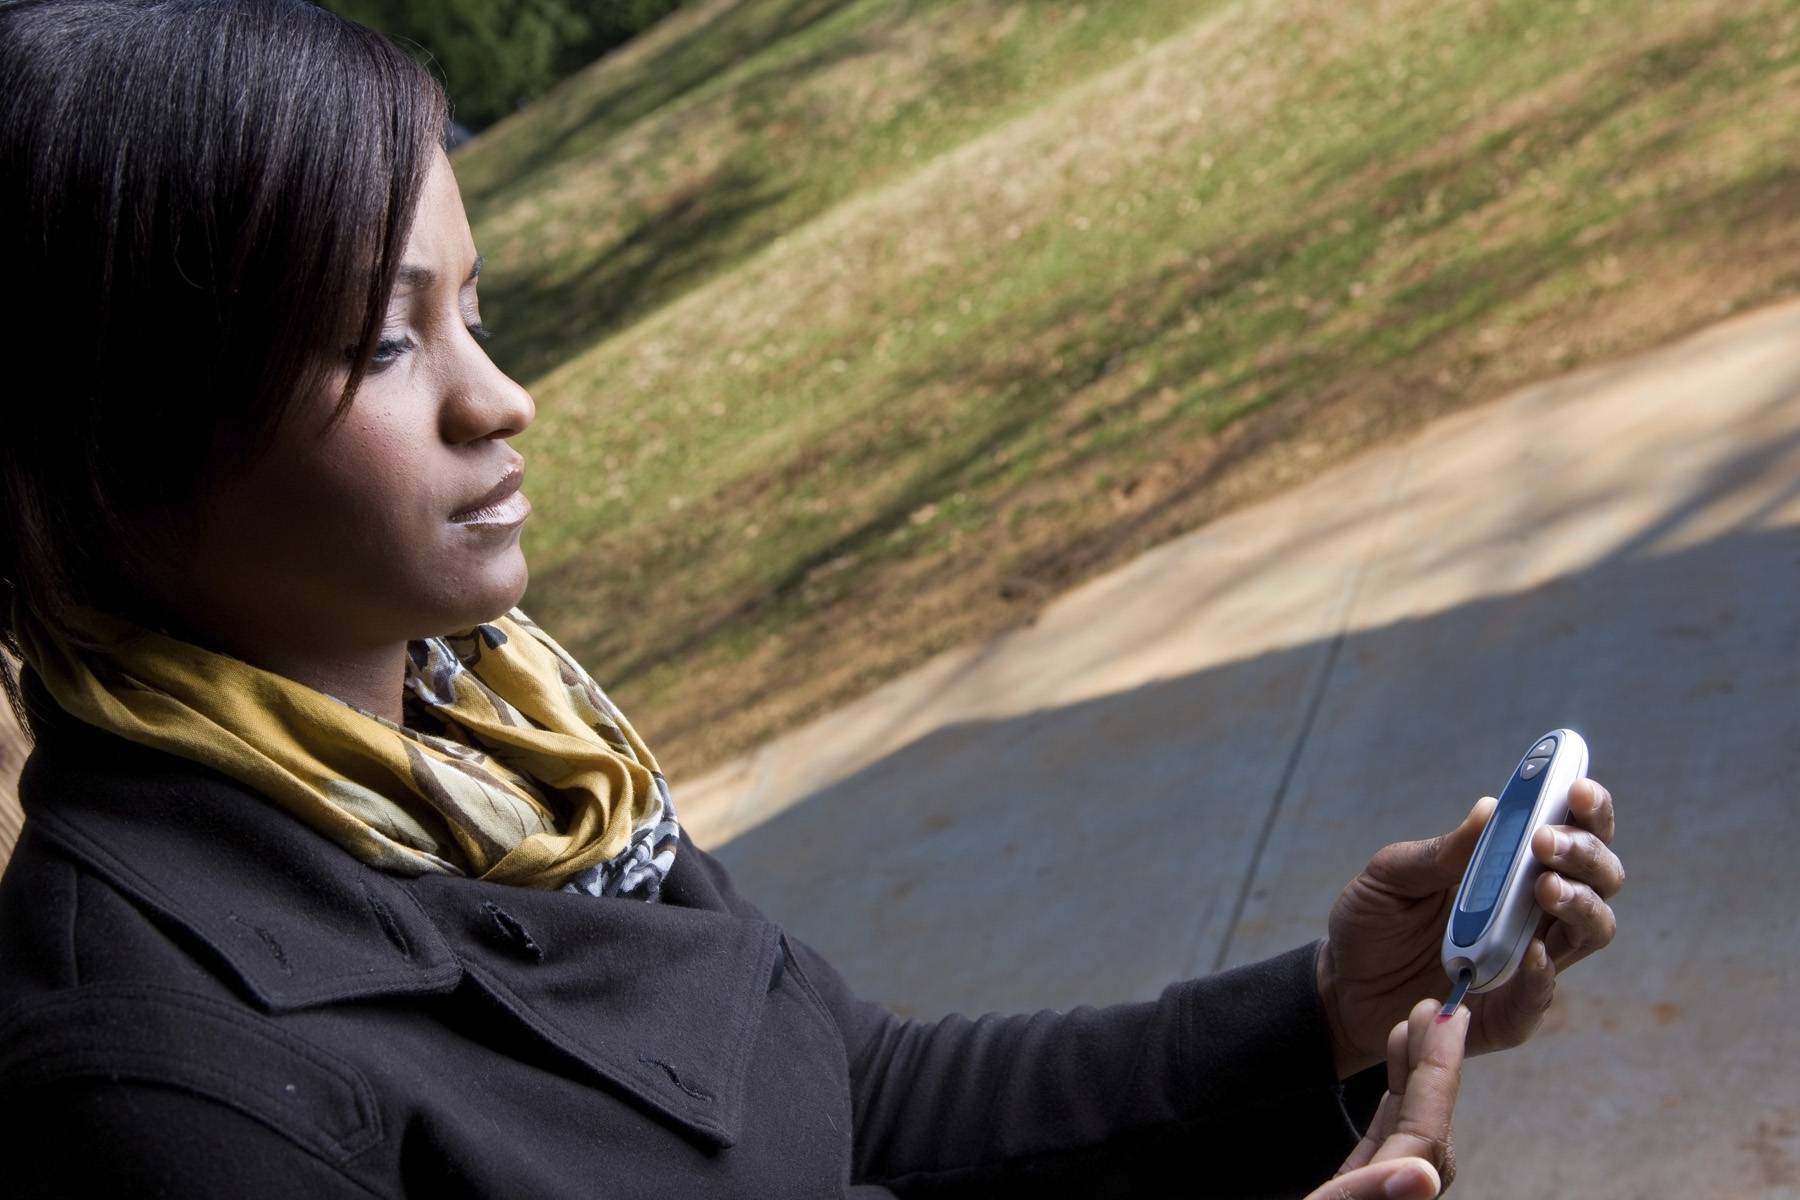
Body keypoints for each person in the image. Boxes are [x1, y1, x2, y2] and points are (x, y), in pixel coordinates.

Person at [0, 2, 1625, 1196]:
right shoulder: (153, 1077)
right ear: (120, 449)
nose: (503, 402)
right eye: (383, 341)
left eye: (477, 309)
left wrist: (1328, 1010)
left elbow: (855, 1093)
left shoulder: (512, 753)